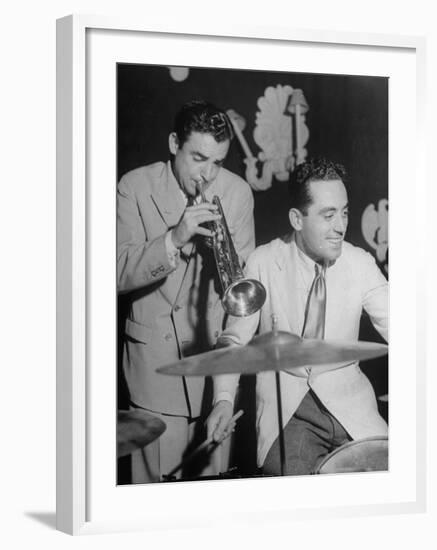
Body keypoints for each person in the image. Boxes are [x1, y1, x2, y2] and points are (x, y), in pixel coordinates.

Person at [206, 157, 388, 476]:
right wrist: (222, 399)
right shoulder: (263, 262)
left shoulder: (360, 263)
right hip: (288, 413)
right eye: (328, 215)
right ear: (297, 219)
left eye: (344, 213)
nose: (341, 227)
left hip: (352, 409)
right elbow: (234, 339)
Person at [117, 100, 255, 483]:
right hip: (153, 375)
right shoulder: (134, 187)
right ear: (174, 142)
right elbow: (115, 272)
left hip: (213, 374)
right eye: (198, 158)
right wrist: (173, 239)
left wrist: (226, 392)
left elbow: (240, 296)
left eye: (218, 162)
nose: (208, 174)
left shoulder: (238, 193)